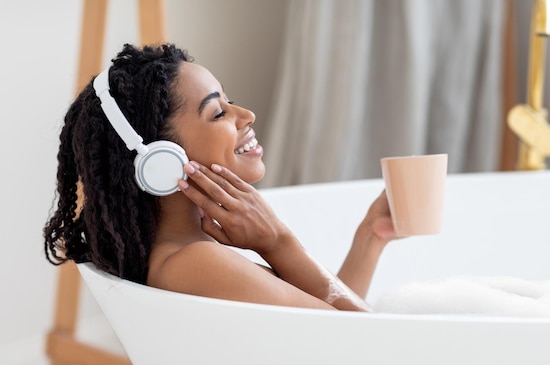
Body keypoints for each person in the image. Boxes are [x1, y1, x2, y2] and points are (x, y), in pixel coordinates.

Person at [44, 43, 398, 312]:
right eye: (217, 112)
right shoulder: (194, 264)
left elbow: (328, 314)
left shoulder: (187, 254)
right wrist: (277, 242)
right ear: (160, 160)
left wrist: (371, 235)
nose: (247, 115)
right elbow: (368, 344)